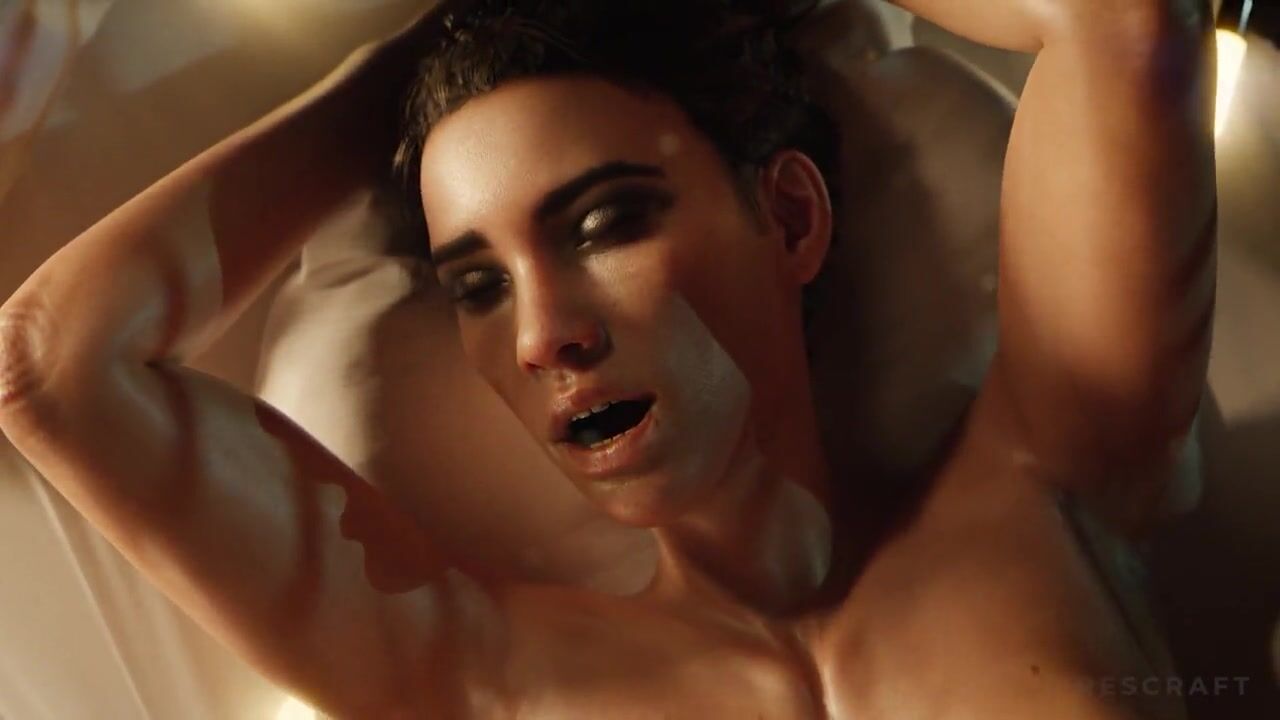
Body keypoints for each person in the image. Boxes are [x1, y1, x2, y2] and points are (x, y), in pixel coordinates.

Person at [0, 0, 1217, 717]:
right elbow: (50, 370)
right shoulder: (483, 675)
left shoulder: (1050, 471)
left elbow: (1120, 20)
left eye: (602, 225)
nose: (544, 336)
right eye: (477, 286)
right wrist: (411, 65)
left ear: (791, 218)